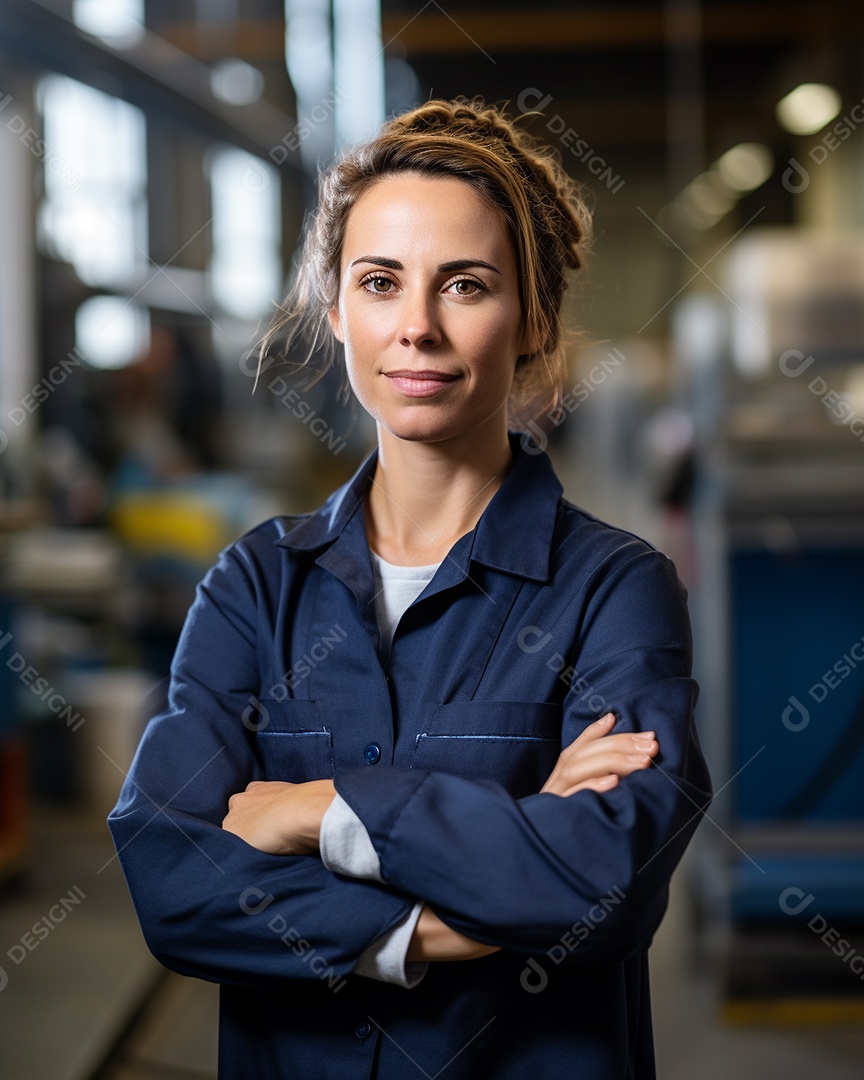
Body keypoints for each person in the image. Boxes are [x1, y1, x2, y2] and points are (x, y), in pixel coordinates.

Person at [108, 98, 712, 1079]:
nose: (418, 328)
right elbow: (174, 881)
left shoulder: (615, 590)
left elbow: (605, 884)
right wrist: (451, 922)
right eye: (381, 282)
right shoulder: (256, 589)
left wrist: (325, 810)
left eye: (466, 285)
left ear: (534, 318)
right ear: (338, 310)